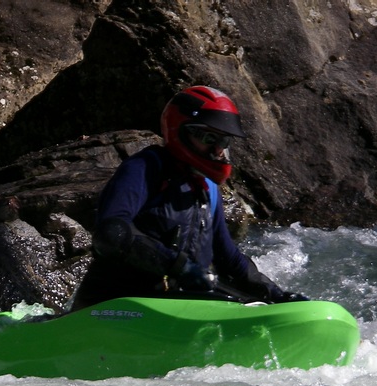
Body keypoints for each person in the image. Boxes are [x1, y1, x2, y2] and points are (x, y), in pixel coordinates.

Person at [71, 85, 307, 310]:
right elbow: (111, 233)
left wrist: (277, 295)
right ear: (181, 131)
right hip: (111, 307)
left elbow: (228, 258)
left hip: (172, 309)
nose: (217, 150)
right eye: (208, 139)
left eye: (223, 141)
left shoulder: (207, 189)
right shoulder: (146, 167)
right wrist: (179, 266)